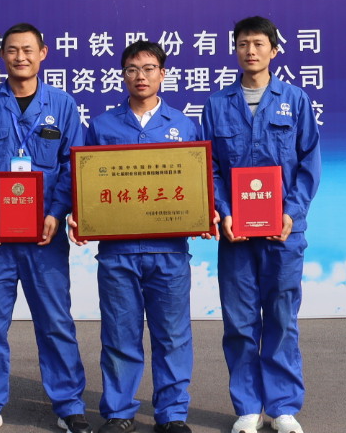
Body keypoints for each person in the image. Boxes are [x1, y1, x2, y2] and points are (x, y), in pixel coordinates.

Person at [0, 23, 92, 433]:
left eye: (28, 50)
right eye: (13, 50)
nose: (21, 57)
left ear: (43, 53)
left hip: (44, 238)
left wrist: (57, 212)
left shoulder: (62, 105)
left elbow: (74, 164)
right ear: (2, 55)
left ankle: (68, 405)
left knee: (55, 322)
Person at [74, 40, 202, 433]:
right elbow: (85, 183)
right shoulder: (102, 126)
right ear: (123, 75)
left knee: (173, 335)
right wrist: (80, 216)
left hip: (169, 252)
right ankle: (119, 412)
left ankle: (172, 415)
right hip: (118, 253)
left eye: (148, 68)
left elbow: (200, 182)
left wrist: (206, 210)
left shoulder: (185, 126)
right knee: (119, 334)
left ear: (163, 74)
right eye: (132, 69)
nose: (140, 76)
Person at [205, 16, 322, 433]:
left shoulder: (295, 99)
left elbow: (309, 164)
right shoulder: (217, 105)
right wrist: (225, 211)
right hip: (236, 234)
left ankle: (283, 407)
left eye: (258, 43)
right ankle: (248, 407)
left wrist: (291, 213)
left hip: (284, 233)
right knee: (239, 322)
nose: (250, 51)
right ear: (235, 50)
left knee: (281, 317)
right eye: (242, 44)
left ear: (274, 50)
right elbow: (211, 168)